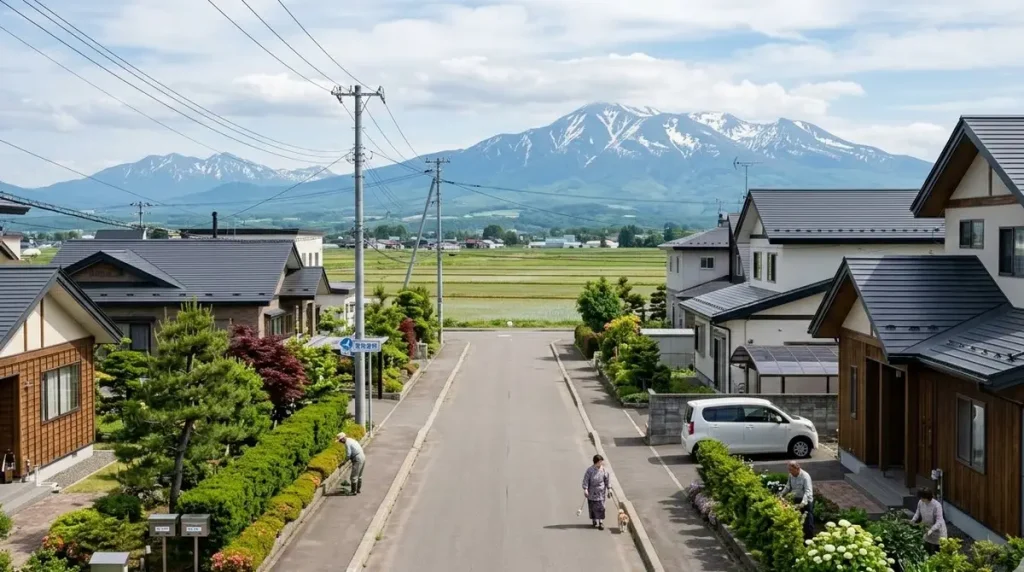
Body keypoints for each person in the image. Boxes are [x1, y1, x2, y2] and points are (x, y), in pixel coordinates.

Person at [780, 461, 815, 540]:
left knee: (807, 520)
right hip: (796, 499)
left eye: (791, 470)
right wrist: (781, 494)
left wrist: (803, 503)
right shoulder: (791, 475)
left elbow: (808, 491)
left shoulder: (805, 476)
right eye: (789, 470)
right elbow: (788, 486)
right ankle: (798, 537)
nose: (790, 472)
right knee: (796, 519)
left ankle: (809, 538)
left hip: (806, 501)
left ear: (797, 469)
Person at [911, 488, 947, 555]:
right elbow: (918, 512)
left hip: (938, 531)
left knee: (938, 551)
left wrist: (931, 530)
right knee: (927, 550)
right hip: (927, 528)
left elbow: (939, 521)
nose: (921, 499)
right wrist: (913, 520)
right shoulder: (920, 502)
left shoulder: (937, 505)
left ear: (927, 497)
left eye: (922, 498)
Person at [582, 454, 611, 530]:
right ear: (596, 462)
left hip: (601, 492)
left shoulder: (604, 470)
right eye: (600, 462)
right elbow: (586, 480)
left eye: (601, 462)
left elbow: (607, 480)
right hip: (592, 491)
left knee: (601, 507)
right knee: (593, 507)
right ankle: (594, 520)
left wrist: (609, 489)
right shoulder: (590, 470)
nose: (601, 463)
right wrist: (585, 489)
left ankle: (601, 522)